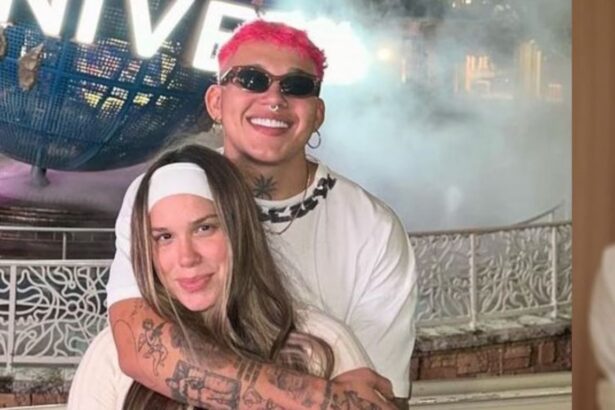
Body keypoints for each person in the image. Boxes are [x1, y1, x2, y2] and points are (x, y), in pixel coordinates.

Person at [106, 19, 417, 408]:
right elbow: (139, 344)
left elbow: (379, 395)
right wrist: (317, 397)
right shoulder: (162, 194)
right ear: (215, 102)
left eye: (296, 86)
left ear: (317, 113)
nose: (274, 99)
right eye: (251, 80)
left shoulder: (372, 229)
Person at [68, 144, 382, 409]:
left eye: (204, 228)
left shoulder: (323, 345)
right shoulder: (111, 354)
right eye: (164, 237)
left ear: (239, 231)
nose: (187, 257)